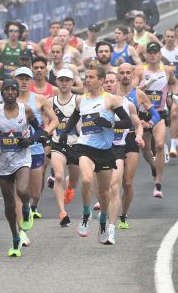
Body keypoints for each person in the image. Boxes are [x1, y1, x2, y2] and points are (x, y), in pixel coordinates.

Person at [58, 66, 132, 244]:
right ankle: (86, 214)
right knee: (86, 180)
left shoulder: (111, 100)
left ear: (100, 80)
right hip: (85, 148)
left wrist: (109, 123)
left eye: (91, 77)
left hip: (105, 152)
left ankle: (104, 221)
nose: (86, 80)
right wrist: (65, 133)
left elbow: (127, 122)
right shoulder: (80, 101)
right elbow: (74, 119)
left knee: (104, 192)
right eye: (86, 77)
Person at [0, 79, 45, 256]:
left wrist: (30, 140)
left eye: (12, 90)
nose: (9, 92)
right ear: (2, 93)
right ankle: (15, 238)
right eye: (6, 90)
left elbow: (40, 130)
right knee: (8, 205)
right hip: (2, 162)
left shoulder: (26, 110)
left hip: (22, 158)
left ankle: (26, 207)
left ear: (17, 93)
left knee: (23, 190)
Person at [103, 70, 144, 244]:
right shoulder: (96, 103)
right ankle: (104, 214)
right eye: (106, 82)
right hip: (101, 149)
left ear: (118, 83)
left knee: (120, 185)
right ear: (102, 84)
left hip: (122, 145)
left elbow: (137, 124)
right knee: (102, 189)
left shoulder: (128, 104)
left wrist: (139, 135)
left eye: (113, 81)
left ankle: (117, 221)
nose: (110, 84)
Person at [134, 43, 178, 198]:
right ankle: (154, 167)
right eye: (150, 52)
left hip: (158, 113)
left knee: (159, 145)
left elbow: (174, 83)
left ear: (160, 54)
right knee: (145, 150)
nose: (152, 55)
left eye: (155, 52)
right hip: (142, 115)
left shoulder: (166, 70)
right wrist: (147, 84)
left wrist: (173, 96)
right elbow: (133, 91)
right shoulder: (140, 70)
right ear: (146, 55)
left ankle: (158, 183)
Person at [15, 67, 57, 223]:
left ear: (31, 81)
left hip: (35, 149)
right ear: (16, 80)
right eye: (20, 78)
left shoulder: (39, 99)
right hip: (15, 150)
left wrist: (43, 133)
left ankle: (29, 206)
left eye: (27, 79)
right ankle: (20, 228)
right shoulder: (10, 99)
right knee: (19, 190)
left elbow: (55, 120)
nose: (23, 82)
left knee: (35, 192)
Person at [116, 62, 155, 228]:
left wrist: (150, 122)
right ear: (118, 75)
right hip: (114, 138)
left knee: (128, 183)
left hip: (131, 138)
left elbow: (155, 114)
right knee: (114, 181)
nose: (125, 75)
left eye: (127, 73)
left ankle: (123, 215)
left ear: (133, 75)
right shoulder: (111, 93)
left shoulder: (139, 94)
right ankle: (109, 210)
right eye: (122, 73)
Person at [49, 69, 80, 228]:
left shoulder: (79, 100)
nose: (64, 83)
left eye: (67, 80)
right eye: (61, 80)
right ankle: (62, 213)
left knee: (74, 181)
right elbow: (45, 122)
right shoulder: (50, 102)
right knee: (59, 176)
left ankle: (70, 187)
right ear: (57, 82)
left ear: (72, 82)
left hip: (76, 144)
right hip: (58, 144)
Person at [161, 29, 178, 157]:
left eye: (172, 36)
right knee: (163, 119)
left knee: (174, 113)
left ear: (175, 37)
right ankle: (161, 145)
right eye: (167, 36)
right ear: (164, 37)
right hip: (162, 89)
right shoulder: (160, 53)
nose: (169, 38)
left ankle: (173, 146)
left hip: (176, 87)